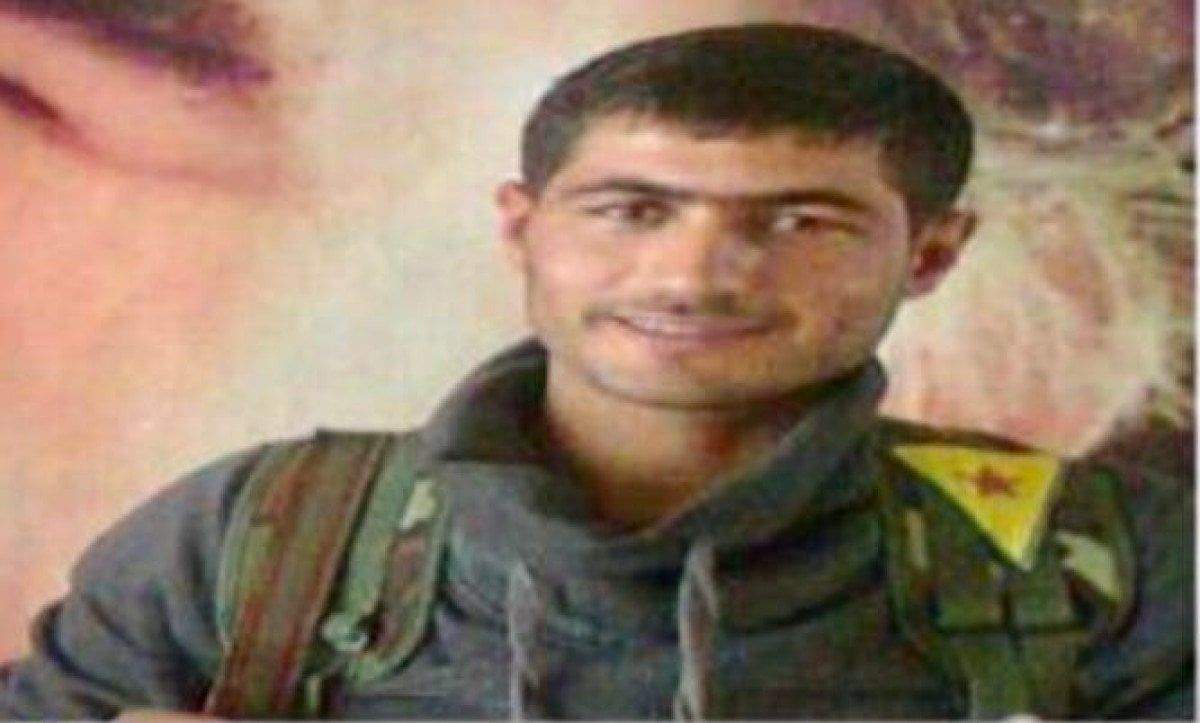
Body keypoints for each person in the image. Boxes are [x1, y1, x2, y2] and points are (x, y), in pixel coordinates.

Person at [1, 21, 1192, 720]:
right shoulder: (251, 538)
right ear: (522, 228)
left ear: (931, 255)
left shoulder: (1108, 566)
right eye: (631, 209)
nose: (694, 277)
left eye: (800, 222)